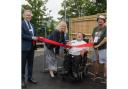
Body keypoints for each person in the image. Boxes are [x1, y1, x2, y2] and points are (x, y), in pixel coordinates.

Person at [22, 10, 38, 88]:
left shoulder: (32, 25)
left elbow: (34, 35)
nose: (29, 16)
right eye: (27, 15)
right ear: (23, 16)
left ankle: (29, 78)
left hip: (32, 48)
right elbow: (21, 35)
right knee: (22, 65)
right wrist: (32, 37)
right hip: (23, 48)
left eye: (30, 15)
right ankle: (22, 80)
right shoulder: (20, 24)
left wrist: (37, 38)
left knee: (30, 64)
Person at [90, 15, 107, 82]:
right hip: (95, 48)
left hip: (103, 48)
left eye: (101, 19)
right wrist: (91, 41)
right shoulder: (95, 28)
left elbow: (105, 39)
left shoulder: (106, 28)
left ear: (104, 21)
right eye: (98, 19)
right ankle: (96, 73)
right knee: (95, 61)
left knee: (104, 62)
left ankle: (106, 76)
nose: (100, 20)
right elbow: (92, 37)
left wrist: (98, 45)